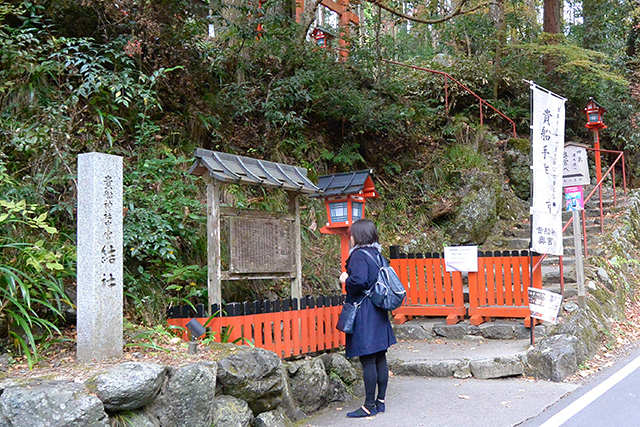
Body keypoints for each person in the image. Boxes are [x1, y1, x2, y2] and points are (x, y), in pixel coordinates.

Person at [339, 219, 397, 418]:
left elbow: (359, 280)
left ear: (359, 235)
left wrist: (346, 280)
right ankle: (380, 402)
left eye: (352, 234)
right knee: (380, 356)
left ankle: (368, 406)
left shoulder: (358, 255)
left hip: (364, 312)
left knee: (368, 360)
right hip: (378, 310)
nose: (351, 237)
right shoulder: (377, 255)